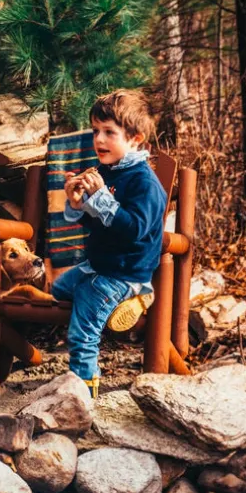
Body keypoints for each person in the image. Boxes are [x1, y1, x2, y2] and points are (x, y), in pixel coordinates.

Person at [53, 89, 166, 400]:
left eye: (109, 132)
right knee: (59, 291)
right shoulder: (105, 171)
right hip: (98, 265)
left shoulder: (144, 183)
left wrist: (102, 198)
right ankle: (118, 302)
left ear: (135, 139)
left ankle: (82, 396)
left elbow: (133, 231)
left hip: (123, 271)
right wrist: (78, 204)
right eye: (95, 131)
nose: (99, 140)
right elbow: (97, 221)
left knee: (83, 332)